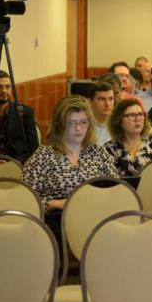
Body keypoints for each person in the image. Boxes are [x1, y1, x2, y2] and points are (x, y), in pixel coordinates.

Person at [23, 96, 118, 247]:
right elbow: (25, 200)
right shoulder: (44, 155)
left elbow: (117, 190)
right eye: (72, 123)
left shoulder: (98, 152)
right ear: (60, 125)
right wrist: (54, 203)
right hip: (58, 224)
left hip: (97, 218)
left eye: (83, 122)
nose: (78, 129)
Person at [0, 70, 39, 163]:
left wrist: (15, 162)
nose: (4, 91)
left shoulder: (25, 112)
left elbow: (33, 147)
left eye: (7, 87)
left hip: (18, 163)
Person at [105, 98, 152, 177]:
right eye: (131, 115)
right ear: (119, 120)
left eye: (140, 114)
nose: (137, 119)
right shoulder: (110, 148)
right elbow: (110, 179)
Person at [87, 81, 115, 146]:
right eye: (102, 99)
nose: (107, 104)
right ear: (90, 101)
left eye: (111, 99)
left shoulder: (120, 125)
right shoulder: (83, 124)